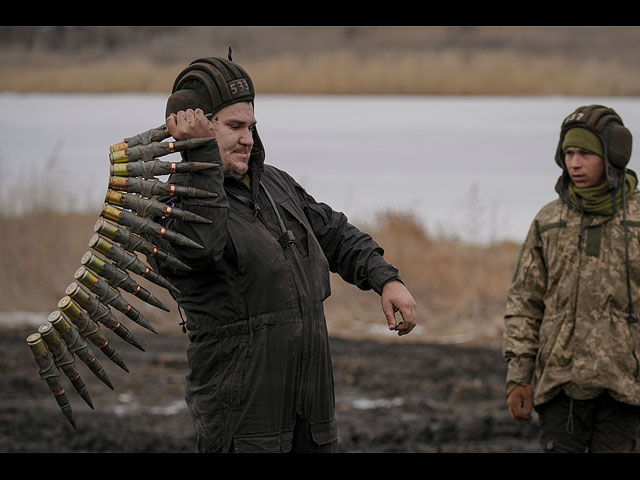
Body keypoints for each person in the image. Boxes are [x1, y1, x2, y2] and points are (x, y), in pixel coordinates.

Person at [145, 55, 417, 453]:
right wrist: (200, 159)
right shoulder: (172, 208)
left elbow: (334, 232)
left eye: (251, 127)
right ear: (198, 128)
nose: (248, 139)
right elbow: (202, 248)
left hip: (312, 419)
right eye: (234, 127)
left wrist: (385, 278)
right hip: (245, 428)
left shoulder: (275, 185)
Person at [503, 104, 640, 453]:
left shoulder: (638, 220)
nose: (575, 164)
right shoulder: (549, 222)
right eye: (568, 153)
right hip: (560, 390)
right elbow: (524, 302)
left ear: (613, 156)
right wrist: (519, 376)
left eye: (586, 154)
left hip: (625, 390)